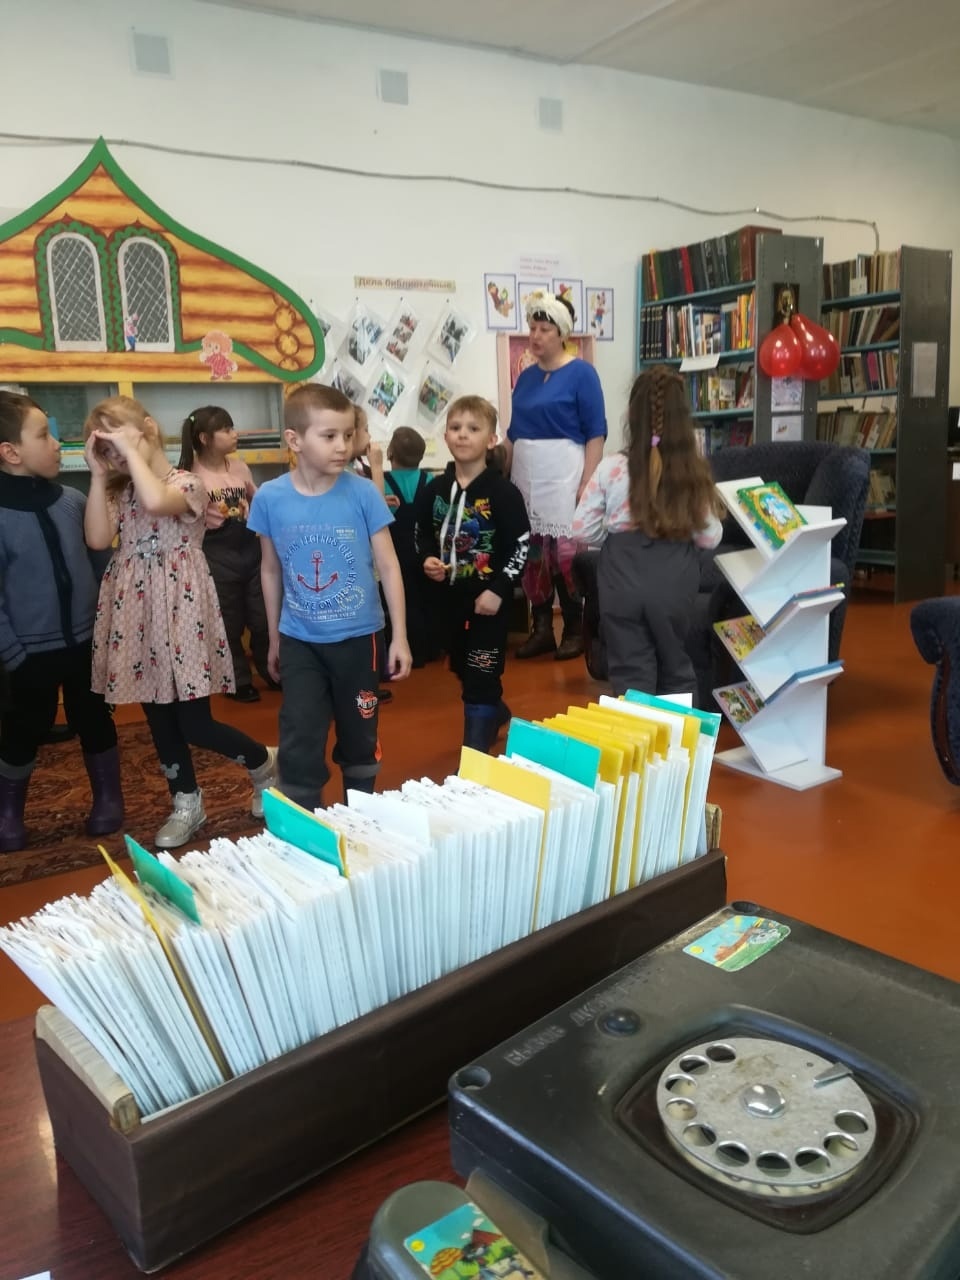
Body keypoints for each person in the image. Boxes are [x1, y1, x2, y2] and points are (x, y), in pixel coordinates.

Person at [83, 396, 277, 849]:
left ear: (149, 429)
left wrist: (131, 452)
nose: (114, 454)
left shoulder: (188, 483)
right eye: (105, 448)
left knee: (194, 724)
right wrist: (98, 474)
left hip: (181, 612)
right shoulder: (118, 490)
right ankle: (186, 800)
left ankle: (263, 762)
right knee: (159, 721)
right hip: (137, 614)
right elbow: (97, 538)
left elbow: (156, 501)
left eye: (119, 440)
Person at [249, 384, 412, 811]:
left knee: (359, 736)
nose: (342, 446)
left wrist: (399, 637)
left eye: (348, 435)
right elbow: (270, 570)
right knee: (300, 735)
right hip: (300, 641)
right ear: (295, 440)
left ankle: (360, 817)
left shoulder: (363, 493)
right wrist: (274, 637)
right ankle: (303, 822)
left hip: (360, 640)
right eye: (329, 436)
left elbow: (389, 566)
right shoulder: (269, 498)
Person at [0, 392, 123, 851]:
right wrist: (13, 654)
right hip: (28, 653)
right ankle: (8, 814)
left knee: (94, 719)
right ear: (11, 452)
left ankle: (108, 798)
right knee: (24, 730)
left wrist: (109, 629)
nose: (57, 444)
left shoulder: (73, 500)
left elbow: (101, 563)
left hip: (86, 643)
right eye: (43, 435)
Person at [571, 366, 723, 698]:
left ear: (631, 414)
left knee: (629, 672)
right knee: (676, 667)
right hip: (674, 579)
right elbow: (710, 536)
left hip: (620, 579)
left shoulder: (611, 467)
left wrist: (617, 536)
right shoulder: (691, 471)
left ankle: (638, 731)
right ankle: (680, 731)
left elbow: (581, 528)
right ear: (683, 419)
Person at [416, 396, 530, 753]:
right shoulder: (433, 491)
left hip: (489, 602)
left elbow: (521, 546)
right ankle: (495, 712)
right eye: (455, 428)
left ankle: (475, 755)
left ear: (491, 440)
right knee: (463, 667)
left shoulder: (504, 493)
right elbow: (421, 534)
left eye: (473, 428)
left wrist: (499, 589)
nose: (463, 434)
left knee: (482, 670)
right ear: (446, 436)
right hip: (448, 602)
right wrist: (427, 558)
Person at [504, 290, 606, 662]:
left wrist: (588, 481)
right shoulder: (526, 378)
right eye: (532, 328)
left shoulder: (582, 374)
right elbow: (514, 432)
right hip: (526, 474)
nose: (535, 335)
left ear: (561, 333)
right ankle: (542, 628)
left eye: (544, 329)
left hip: (565, 472)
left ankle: (575, 629)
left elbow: (596, 432)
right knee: (533, 553)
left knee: (565, 552)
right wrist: (501, 475)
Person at [179, 405, 274, 704]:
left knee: (262, 617)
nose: (235, 434)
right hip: (216, 552)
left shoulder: (240, 468)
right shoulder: (190, 475)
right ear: (204, 438)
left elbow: (257, 499)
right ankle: (238, 680)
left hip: (249, 548)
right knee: (228, 621)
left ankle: (272, 670)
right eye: (227, 429)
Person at [383, 427, 437, 668]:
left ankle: (408, 649)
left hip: (396, 553)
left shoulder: (382, 483)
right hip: (425, 551)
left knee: (403, 600)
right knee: (428, 599)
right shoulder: (430, 481)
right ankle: (431, 648)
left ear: (390, 453)